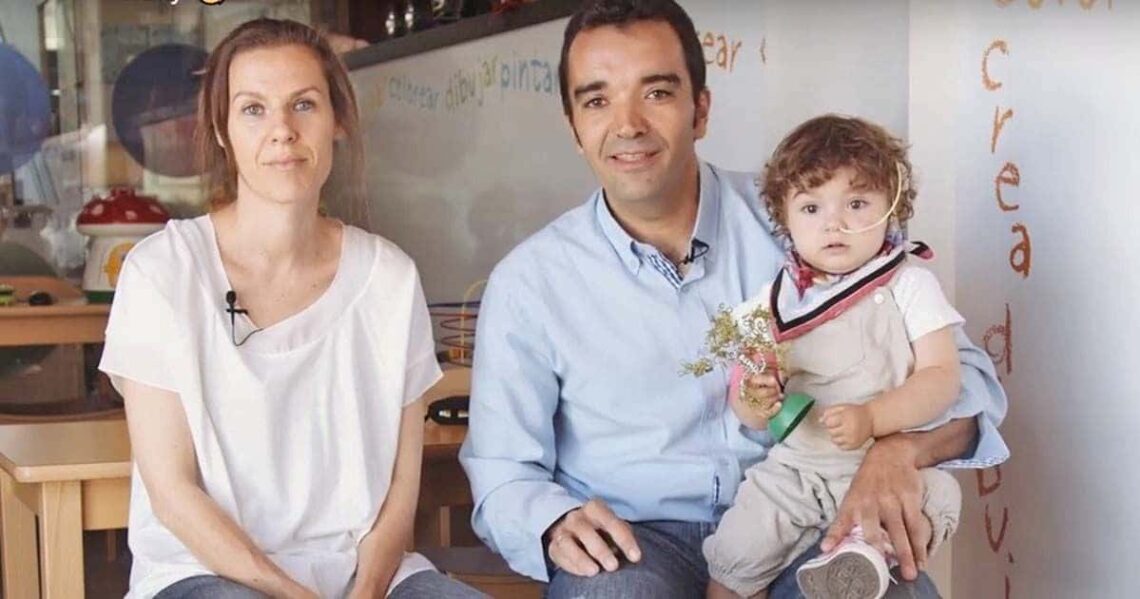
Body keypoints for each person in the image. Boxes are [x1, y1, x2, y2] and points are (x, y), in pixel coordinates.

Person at [459, 1, 1009, 598]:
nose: (627, 124)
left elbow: (970, 387)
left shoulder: (807, 217)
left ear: (700, 110)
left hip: (811, 519)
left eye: (657, 93)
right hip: (637, 542)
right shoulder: (529, 283)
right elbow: (503, 470)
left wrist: (899, 449)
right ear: (573, 128)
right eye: (596, 101)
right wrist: (552, 520)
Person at [99, 19, 484, 599]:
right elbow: (173, 494)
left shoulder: (390, 278)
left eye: (303, 104)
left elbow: (399, 496)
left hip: (367, 577)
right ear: (223, 130)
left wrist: (364, 592)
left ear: (337, 121)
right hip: (205, 572)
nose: (282, 130)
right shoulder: (162, 272)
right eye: (253, 109)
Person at [702, 115, 968, 599]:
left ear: (892, 207)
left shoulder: (910, 284)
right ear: (783, 219)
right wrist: (756, 398)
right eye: (811, 207)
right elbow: (750, 413)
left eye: (857, 204)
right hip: (796, 471)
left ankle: (862, 557)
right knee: (736, 556)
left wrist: (874, 417)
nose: (834, 223)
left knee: (937, 496)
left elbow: (942, 376)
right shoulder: (773, 303)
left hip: (880, 468)